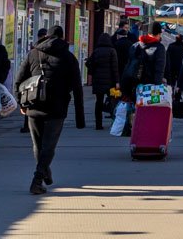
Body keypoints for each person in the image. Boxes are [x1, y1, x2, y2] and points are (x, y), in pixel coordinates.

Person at [15, 26, 85, 195]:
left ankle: (43, 170)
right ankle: (37, 179)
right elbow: (77, 87)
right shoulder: (69, 58)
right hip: (57, 108)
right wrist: (80, 118)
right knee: (49, 146)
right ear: (62, 38)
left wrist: (21, 104)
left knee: (38, 145)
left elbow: (19, 80)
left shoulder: (33, 54)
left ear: (47, 36)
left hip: (34, 105)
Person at [121, 21, 167, 136]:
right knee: (150, 113)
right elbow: (159, 70)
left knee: (136, 110)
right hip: (150, 86)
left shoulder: (136, 45)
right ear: (158, 34)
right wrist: (158, 86)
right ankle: (148, 137)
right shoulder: (159, 48)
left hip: (134, 85)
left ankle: (135, 134)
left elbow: (128, 65)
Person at [84, 32, 121, 130]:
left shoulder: (96, 51)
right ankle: (114, 123)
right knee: (113, 102)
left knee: (98, 102)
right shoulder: (112, 51)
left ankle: (98, 124)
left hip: (98, 81)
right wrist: (117, 81)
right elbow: (115, 68)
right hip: (110, 82)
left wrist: (93, 72)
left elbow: (88, 63)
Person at [21, 28, 48, 134]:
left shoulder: (33, 51)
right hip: (38, 80)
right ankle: (31, 125)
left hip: (32, 81)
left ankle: (28, 126)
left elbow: (24, 69)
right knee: (35, 103)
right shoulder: (38, 50)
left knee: (31, 103)